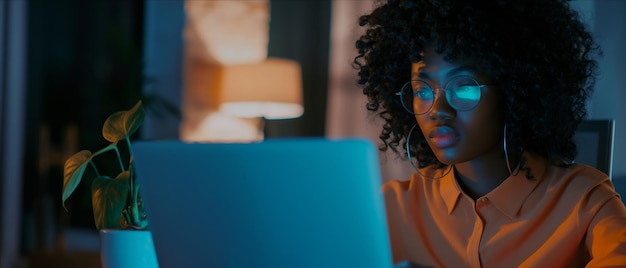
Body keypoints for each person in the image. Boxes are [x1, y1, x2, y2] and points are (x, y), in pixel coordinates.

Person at [354, 0, 626, 266]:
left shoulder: (585, 200)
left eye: (464, 87)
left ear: (514, 91)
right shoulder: (389, 208)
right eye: (422, 90)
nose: (438, 110)